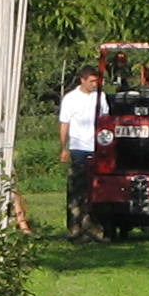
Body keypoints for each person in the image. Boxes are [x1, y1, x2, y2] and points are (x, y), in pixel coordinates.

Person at [58, 65, 105, 241]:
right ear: (82, 80)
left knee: (96, 189)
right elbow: (64, 124)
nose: (95, 84)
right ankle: (75, 228)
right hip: (79, 148)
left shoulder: (101, 97)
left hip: (98, 149)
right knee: (77, 189)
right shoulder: (70, 99)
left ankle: (93, 227)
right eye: (91, 81)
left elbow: (105, 120)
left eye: (96, 81)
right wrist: (64, 148)